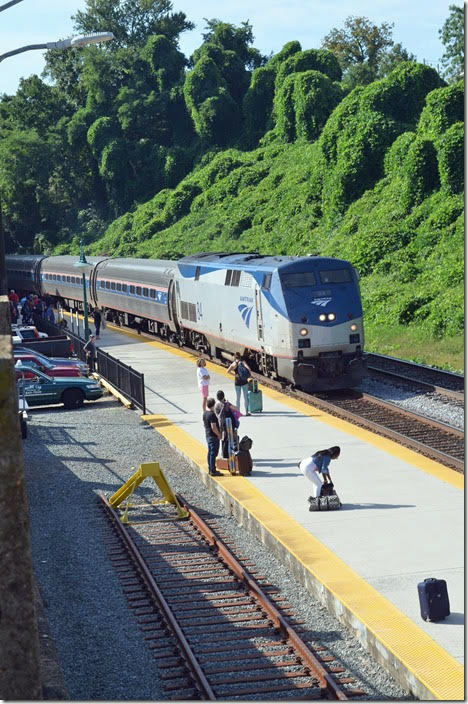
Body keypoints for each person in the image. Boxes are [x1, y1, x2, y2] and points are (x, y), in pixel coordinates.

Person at [215, 390, 241, 458]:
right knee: (232, 438)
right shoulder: (227, 404)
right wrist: (227, 404)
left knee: (224, 440)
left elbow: (217, 416)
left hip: (222, 426)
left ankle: (225, 454)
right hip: (231, 424)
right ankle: (233, 452)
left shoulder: (217, 405)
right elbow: (236, 409)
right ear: (223, 396)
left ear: (217, 398)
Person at [227, 352, 252, 416]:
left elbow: (228, 371)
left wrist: (235, 375)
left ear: (235, 357)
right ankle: (246, 412)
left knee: (238, 398)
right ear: (240, 356)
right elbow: (249, 369)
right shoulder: (243, 362)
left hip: (237, 382)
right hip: (244, 382)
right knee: (245, 397)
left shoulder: (234, 364)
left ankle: (238, 413)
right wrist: (248, 375)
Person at [203, 397, 222, 476]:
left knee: (210, 452)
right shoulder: (212, 415)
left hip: (207, 435)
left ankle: (210, 468)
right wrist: (219, 435)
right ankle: (212, 470)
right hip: (213, 436)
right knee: (213, 453)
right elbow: (213, 427)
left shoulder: (205, 413)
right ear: (213, 405)